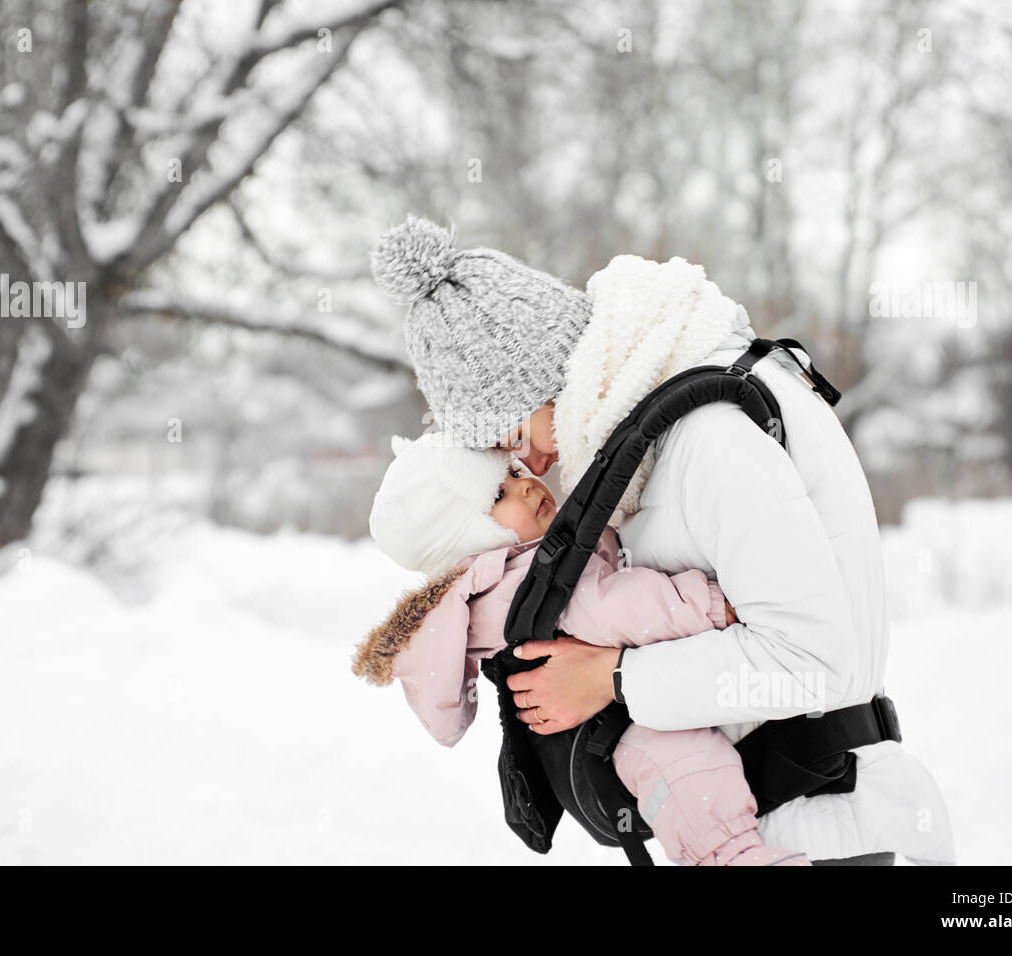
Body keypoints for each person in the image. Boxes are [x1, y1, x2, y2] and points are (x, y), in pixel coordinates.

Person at [369, 216, 955, 866]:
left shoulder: (707, 437)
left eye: (511, 435)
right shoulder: (654, 441)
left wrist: (613, 679)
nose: (532, 462)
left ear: (538, 377)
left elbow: (816, 658)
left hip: (826, 828)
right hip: (784, 820)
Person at [355, 432, 810, 865]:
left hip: (593, 741)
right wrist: (711, 604)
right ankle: (729, 855)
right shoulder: (520, 583)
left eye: (514, 474)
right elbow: (614, 607)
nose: (528, 489)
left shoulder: (516, 572)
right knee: (688, 762)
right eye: (498, 497)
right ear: (462, 540)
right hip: (607, 742)